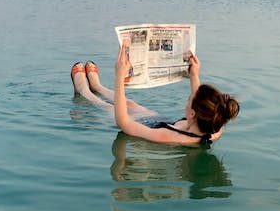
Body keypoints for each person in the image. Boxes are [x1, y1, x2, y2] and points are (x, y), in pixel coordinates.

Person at [71, 44, 239, 146]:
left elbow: (123, 123)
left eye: (189, 100)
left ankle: (85, 91)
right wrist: (194, 75)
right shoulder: (214, 127)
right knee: (130, 104)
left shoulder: (168, 137)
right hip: (160, 121)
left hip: (149, 127)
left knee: (109, 107)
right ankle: (97, 86)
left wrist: (119, 78)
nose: (188, 99)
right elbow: (201, 102)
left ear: (193, 113)